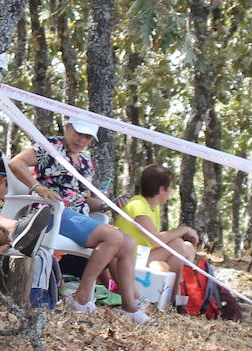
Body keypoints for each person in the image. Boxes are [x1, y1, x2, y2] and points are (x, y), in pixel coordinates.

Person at [8, 118, 151, 323]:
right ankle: (82, 297)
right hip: (52, 212)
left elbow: (85, 200)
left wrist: (106, 205)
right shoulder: (50, 147)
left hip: (78, 216)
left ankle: (130, 307)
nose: (81, 140)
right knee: (112, 236)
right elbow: (16, 163)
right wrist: (37, 187)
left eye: (87, 137)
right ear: (67, 127)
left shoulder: (85, 162)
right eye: (78, 133)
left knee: (128, 242)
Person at [113, 164, 201, 270]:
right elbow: (156, 240)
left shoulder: (153, 206)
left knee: (188, 247)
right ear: (161, 190)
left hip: (141, 256)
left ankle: (184, 284)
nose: (171, 191)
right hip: (127, 258)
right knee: (177, 245)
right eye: (170, 188)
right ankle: (175, 286)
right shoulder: (138, 205)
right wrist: (184, 230)